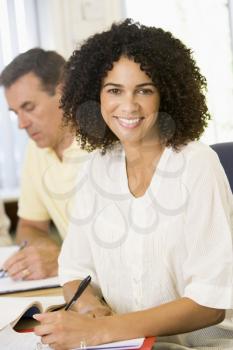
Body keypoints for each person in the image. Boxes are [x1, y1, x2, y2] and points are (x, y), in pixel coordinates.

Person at [34, 19, 233, 350]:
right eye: (114, 90)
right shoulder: (97, 167)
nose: (128, 106)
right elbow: (74, 268)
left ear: (165, 95)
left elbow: (209, 303)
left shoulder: (197, 165)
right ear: (94, 96)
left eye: (144, 90)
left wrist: (104, 331)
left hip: (200, 345)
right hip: (127, 344)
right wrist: (90, 310)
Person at [0, 48, 86, 280]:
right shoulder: (36, 150)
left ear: (64, 93)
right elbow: (29, 227)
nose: (21, 124)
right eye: (15, 112)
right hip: (78, 287)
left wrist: (62, 260)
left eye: (29, 108)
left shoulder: (107, 144)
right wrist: (44, 251)